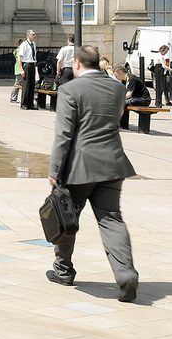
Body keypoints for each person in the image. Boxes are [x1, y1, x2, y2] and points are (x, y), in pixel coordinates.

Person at [46, 45, 140, 301]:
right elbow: (116, 117)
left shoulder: (70, 89)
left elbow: (64, 134)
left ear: (77, 64)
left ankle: (63, 270)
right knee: (111, 219)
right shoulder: (117, 88)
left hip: (79, 166)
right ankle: (126, 274)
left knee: (67, 217)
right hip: (112, 163)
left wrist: (54, 169)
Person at [13, 30, 38, 104]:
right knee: (26, 85)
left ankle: (30, 103)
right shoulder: (24, 44)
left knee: (32, 85)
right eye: (33, 34)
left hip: (32, 64)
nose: (34, 36)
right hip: (26, 64)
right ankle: (24, 103)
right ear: (28, 35)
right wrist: (21, 69)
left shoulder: (33, 44)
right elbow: (19, 57)